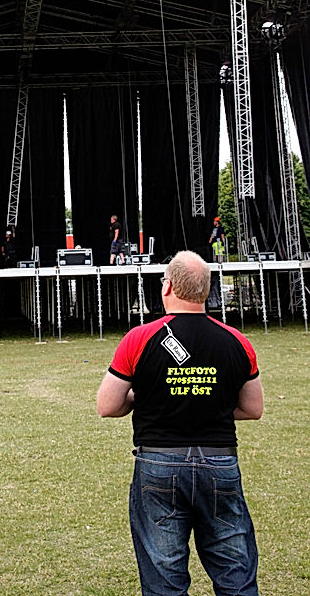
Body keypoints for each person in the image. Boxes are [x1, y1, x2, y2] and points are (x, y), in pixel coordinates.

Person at [96, 250, 263, 596]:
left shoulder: (139, 338)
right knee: (235, 571)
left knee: (165, 577)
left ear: (168, 287)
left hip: (158, 462)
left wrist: (150, 399)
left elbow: (107, 406)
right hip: (219, 461)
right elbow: (253, 408)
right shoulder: (236, 341)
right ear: (206, 290)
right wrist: (209, 403)